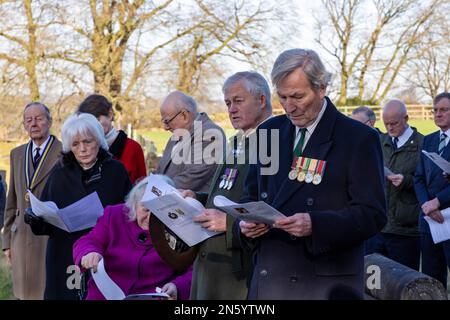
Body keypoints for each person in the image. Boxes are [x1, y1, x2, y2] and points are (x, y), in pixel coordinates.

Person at [237, 48, 387, 299]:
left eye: (297, 96)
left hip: (322, 284)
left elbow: (372, 214)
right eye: (282, 97)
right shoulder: (269, 132)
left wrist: (315, 225)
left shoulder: (357, 138)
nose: (289, 107)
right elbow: (250, 196)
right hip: (269, 280)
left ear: (321, 88)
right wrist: (244, 224)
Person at [25, 112, 132, 299]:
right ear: (69, 147)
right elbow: (46, 221)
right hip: (65, 257)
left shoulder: (116, 171)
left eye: (87, 142)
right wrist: (34, 218)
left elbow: (129, 216)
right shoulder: (59, 174)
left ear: (98, 141)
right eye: (75, 144)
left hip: (105, 256)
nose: (82, 149)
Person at [185, 71, 273, 300]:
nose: (231, 109)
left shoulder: (273, 142)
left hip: (238, 268)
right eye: (227, 103)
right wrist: (196, 197)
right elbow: (226, 192)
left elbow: (272, 209)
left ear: (262, 100)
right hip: (212, 262)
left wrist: (229, 222)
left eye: (238, 101)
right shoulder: (238, 140)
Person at [72, 176, 192, 300]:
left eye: (158, 212)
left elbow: (195, 271)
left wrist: (177, 287)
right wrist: (90, 252)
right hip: (103, 295)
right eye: (145, 210)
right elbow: (89, 241)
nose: (150, 218)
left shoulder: (180, 228)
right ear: (134, 205)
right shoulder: (114, 215)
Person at [2, 102, 62, 300]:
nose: (34, 124)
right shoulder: (17, 154)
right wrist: (7, 242)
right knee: (23, 294)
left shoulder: (64, 152)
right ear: (24, 125)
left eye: (39, 118)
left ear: (49, 121)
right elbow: (12, 200)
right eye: (29, 120)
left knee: (46, 292)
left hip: (49, 237)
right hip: (20, 238)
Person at [365, 100, 423, 270]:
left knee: (403, 283)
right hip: (377, 226)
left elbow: (427, 182)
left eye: (394, 123)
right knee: (373, 285)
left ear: (406, 118)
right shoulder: (378, 141)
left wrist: (404, 181)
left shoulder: (423, 143)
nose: (389, 128)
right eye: (386, 123)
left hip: (405, 231)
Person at [414, 92, 450, 288]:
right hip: (429, 221)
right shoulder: (428, 140)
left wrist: (438, 202)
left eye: (443, 110)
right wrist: (426, 205)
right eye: (435, 110)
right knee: (431, 278)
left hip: (448, 216)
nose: (438, 114)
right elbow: (418, 177)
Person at [155, 91, 224, 192]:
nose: (165, 127)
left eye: (167, 121)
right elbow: (160, 171)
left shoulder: (210, 134)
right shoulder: (177, 135)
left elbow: (191, 178)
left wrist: (155, 190)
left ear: (184, 115)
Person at [78, 94, 146, 184]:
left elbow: (142, 188)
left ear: (110, 115)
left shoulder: (133, 148)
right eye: (88, 122)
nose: (93, 126)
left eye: (97, 120)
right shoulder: (81, 149)